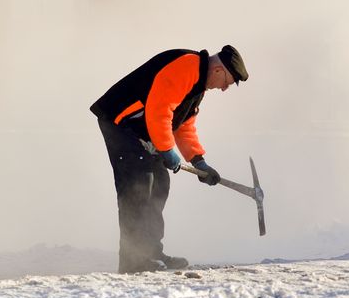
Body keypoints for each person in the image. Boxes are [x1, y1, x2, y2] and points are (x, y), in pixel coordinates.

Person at [90, 46, 248, 273]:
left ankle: (151, 253)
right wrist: (166, 148)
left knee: (160, 184)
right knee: (138, 184)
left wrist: (197, 159)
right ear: (217, 70)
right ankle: (133, 260)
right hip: (120, 122)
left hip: (143, 130)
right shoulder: (186, 67)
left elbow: (183, 124)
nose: (224, 88)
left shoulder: (197, 85)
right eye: (228, 82)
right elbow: (159, 109)